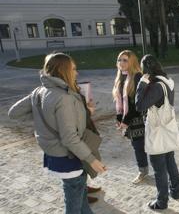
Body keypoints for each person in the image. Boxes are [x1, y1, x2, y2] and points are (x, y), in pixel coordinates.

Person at [8, 53, 106, 213]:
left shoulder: (39, 91)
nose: (77, 72)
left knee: (80, 197)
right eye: (73, 69)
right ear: (63, 71)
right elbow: (69, 138)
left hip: (56, 154)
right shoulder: (63, 97)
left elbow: (14, 113)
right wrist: (92, 160)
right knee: (74, 203)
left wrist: (43, 117)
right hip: (69, 156)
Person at [135, 55, 179, 210]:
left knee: (159, 168)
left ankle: (162, 202)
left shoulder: (156, 86)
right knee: (170, 161)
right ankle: (175, 192)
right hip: (168, 128)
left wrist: (141, 84)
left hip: (158, 132)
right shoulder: (168, 81)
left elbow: (139, 105)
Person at [112, 50, 148, 184]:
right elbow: (120, 100)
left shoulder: (137, 76)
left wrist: (125, 121)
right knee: (137, 146)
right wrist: (119, 117)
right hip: (129, 118)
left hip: (140, 119)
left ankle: (146, 171)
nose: (121, 63)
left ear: (132, 62)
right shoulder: (121, 77)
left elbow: (135, 104)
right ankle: (143, 170)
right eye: (119, 60)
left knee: (142, 146)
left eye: (125, 60)